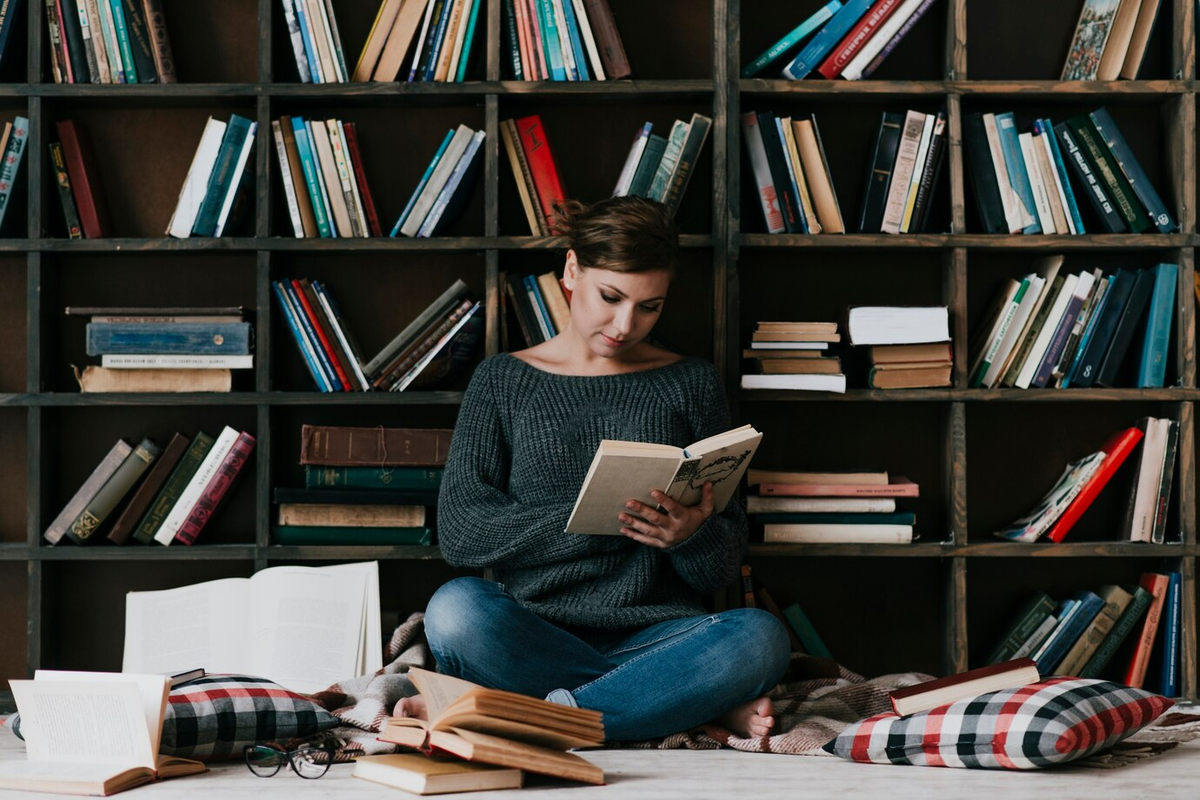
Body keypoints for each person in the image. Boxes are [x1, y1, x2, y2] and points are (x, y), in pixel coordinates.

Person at [395, 196, 790, 741]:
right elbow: (463, 533)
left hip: (656, 638)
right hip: (530, 630)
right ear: (572, 270)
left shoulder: (690, 383)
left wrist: (687, 535)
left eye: (649, 307)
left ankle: (536, 714)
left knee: (761, 637)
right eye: (610, 297)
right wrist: (595, 521)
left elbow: (720, 568)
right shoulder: (503, 381)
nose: (625, 325)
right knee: (455, 610)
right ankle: (672, 705)